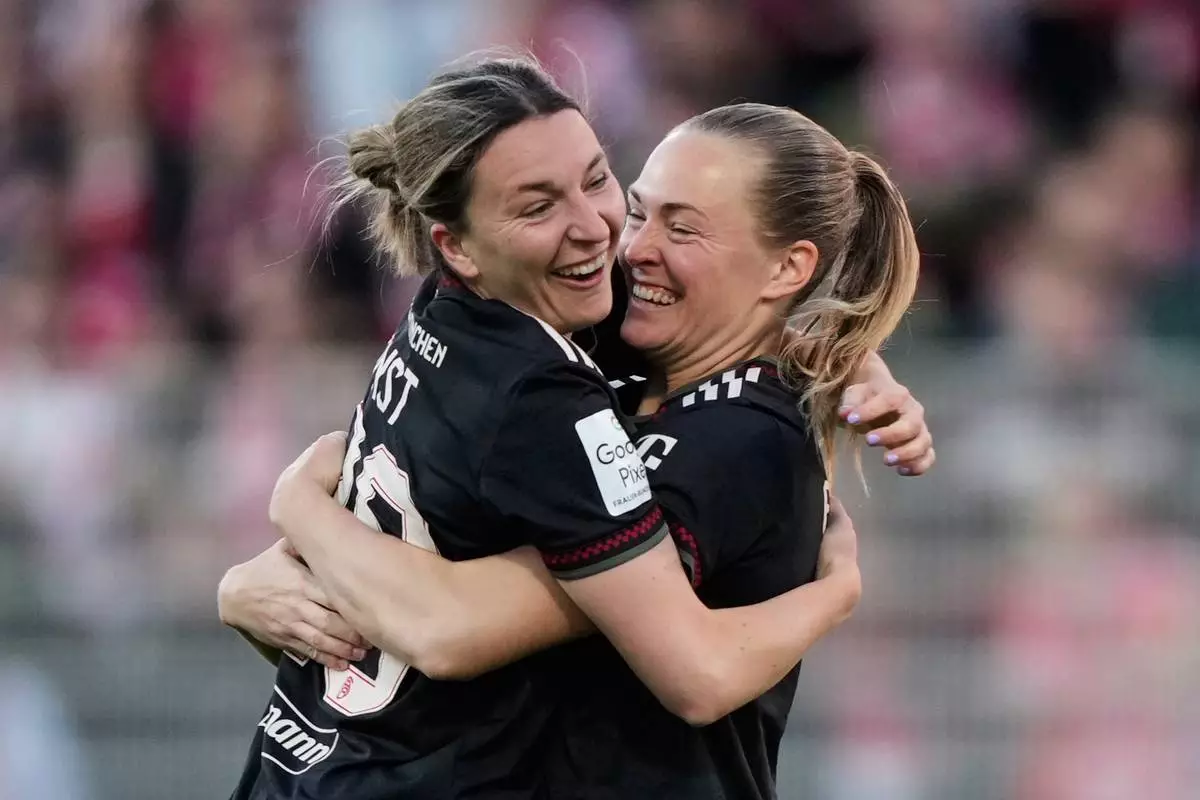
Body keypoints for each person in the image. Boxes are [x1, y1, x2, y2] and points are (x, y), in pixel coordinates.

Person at [221, 55, 928, 800]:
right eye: (640, 209)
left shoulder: (732, 441)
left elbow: (456, 628)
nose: (622, 243)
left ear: (787, 269)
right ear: (456, 247)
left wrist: (300, 506)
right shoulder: (580, 337)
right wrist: (262, 561)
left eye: (681, 227)